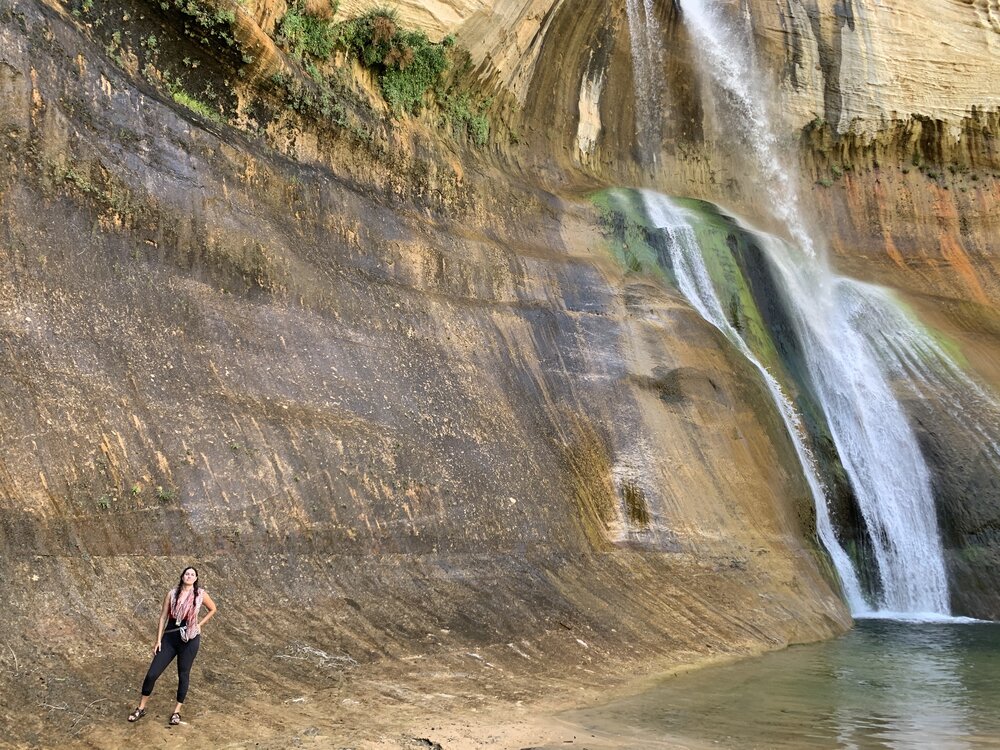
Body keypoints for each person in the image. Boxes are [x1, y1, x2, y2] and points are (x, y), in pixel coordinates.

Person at [127, 566, 217, 725]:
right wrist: (158, 640)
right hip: (170, 636)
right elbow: (162, 617)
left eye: (192, 575)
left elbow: (213, 609)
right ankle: (141, 708)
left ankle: (176, 712)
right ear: (182, 576)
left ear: (196, 579)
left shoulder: (200, 594)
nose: (189, 576)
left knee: (183, 674)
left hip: (190, 638)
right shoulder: (172, 593)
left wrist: (199, 625)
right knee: (152, 674)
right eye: (187, 574)